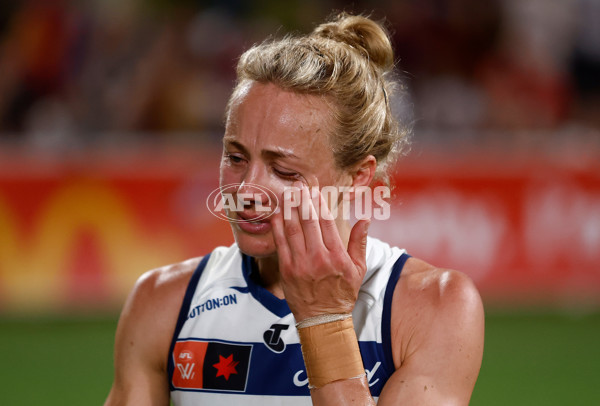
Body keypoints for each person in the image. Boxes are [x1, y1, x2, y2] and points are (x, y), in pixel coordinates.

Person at [104, 12, 484, 406]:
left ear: (357, 176)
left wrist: (324, 320)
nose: (247, 189)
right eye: (235, 157)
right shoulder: (163, 302)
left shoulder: (433, 306)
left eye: (283, 170)